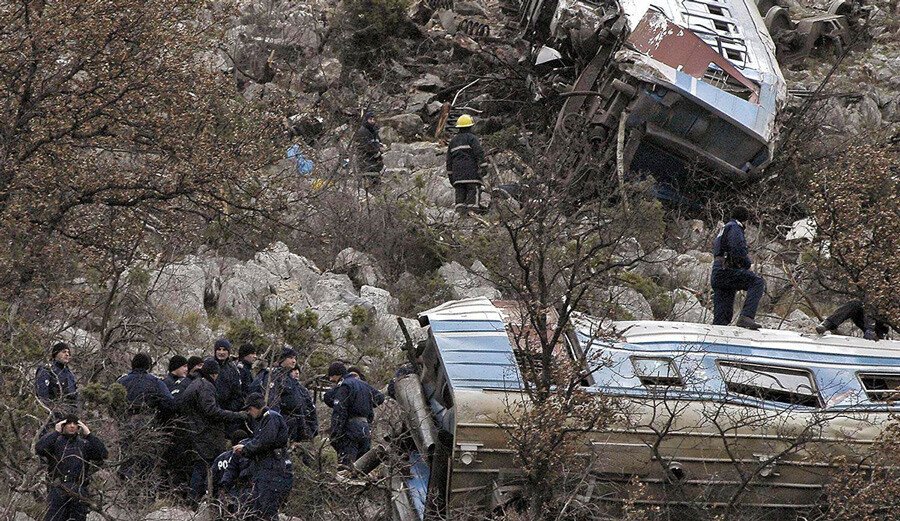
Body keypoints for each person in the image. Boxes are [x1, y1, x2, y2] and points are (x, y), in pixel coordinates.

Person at [179, 359, 249, 502]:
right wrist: (236, 416)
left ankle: (196, 500)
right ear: (215, 374)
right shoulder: (205, 386)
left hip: (195, 432)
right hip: (204, 435)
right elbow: (211, 411)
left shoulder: (195, 384)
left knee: (200, 467)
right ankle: (197, 501)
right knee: (203, 467)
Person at [233, 393, 293, 521]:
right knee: (259, 508)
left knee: (267, 508)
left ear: (256, 407)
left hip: (271, 467)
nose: (249, 413)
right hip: (263, 467)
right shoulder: (263, 420)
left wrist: (245, 449)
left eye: (250, 409)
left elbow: (265, 442)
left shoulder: (271, 418)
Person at [116, 353, 177, 480]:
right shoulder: (155, 381)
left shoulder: (122, 381)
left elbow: (112, 402)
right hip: (147, 423)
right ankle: (145, 495)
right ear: (148, 366)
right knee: (147, 462)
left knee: (127, 460)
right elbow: (170, 403)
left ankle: (126, 492)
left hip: (126, 423)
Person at [35, 416, 108, 521]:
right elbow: (39, 448)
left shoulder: (84, 444)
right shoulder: (55, 442)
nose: (72, 426)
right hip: (58, 488)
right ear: (63, 425)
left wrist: (89, 435)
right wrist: (56, 432)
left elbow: (103, 454)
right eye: (69, 423)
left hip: (79, 489)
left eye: (75, 424)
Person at [711, 206, 765, 330]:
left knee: (722, 318)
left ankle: (717, 335)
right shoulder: (735, 227)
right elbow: (737, 249)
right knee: (757, 282)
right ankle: (746, 316)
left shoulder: (725, 228)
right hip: (727, 270)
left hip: (718, 272)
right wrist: (747, 265)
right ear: (745, 220)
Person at [327, 362, 384, 466]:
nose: (331, 380)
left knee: (346, 466)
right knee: (362, 467)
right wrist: (366, 404)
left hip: (350, 429)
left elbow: (340, 411)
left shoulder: (345, 386)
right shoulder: (364, 385)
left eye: (331, 377)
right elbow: (380, 397)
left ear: (335, 375)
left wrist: (334, 434)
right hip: (365, 428)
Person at [446, 114, 487, 217]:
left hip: (457, 176)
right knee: (472, 196)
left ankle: (459, 217)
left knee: (460, 198)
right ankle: (472, 217)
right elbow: (479, 153)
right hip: (471, 174)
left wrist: (451, 177)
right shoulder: (472, 138)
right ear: (470, 126)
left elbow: (449, 161)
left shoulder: (453, 142)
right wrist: (483, 167)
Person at [207, 338, 245, 436]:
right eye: (219, 349)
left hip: (229, 414)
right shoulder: (208, 367)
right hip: (211, 412)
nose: (221, 352)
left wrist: (230, 410)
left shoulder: (232, 370)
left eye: (224, 350)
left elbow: (237, 394)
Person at [211, 429, 252, 511]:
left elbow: (213, 478)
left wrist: (215, 494)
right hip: (244, 490)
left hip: (226, 492)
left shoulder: (220, 458)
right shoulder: (252, 451)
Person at [35, 342, 78, 416]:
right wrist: (48, 412)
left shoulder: (69, 374)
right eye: (63, 352)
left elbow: (73, 397)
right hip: (51, 414)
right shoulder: (46, 370)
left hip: (68, 415)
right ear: (56, 354)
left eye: (68, 352)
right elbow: (42, 394)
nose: (67, 354)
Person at [816, 301, 895, 340]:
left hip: (880, 327)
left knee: (879, 314)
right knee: (855, 305)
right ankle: (827, 324)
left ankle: (872, 333)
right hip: (869, 321)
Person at [355, 111, 385, 186]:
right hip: (366, 162)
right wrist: (378, 154)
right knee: (368, 184)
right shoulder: (363, 131)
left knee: (376, 183)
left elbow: (378, 142)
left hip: (375, 164)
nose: (372, 121)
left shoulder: (374, 132)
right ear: (366, 120)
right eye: (370, 119)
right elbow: (367, 147)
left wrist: (381, 148)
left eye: (373, 119)